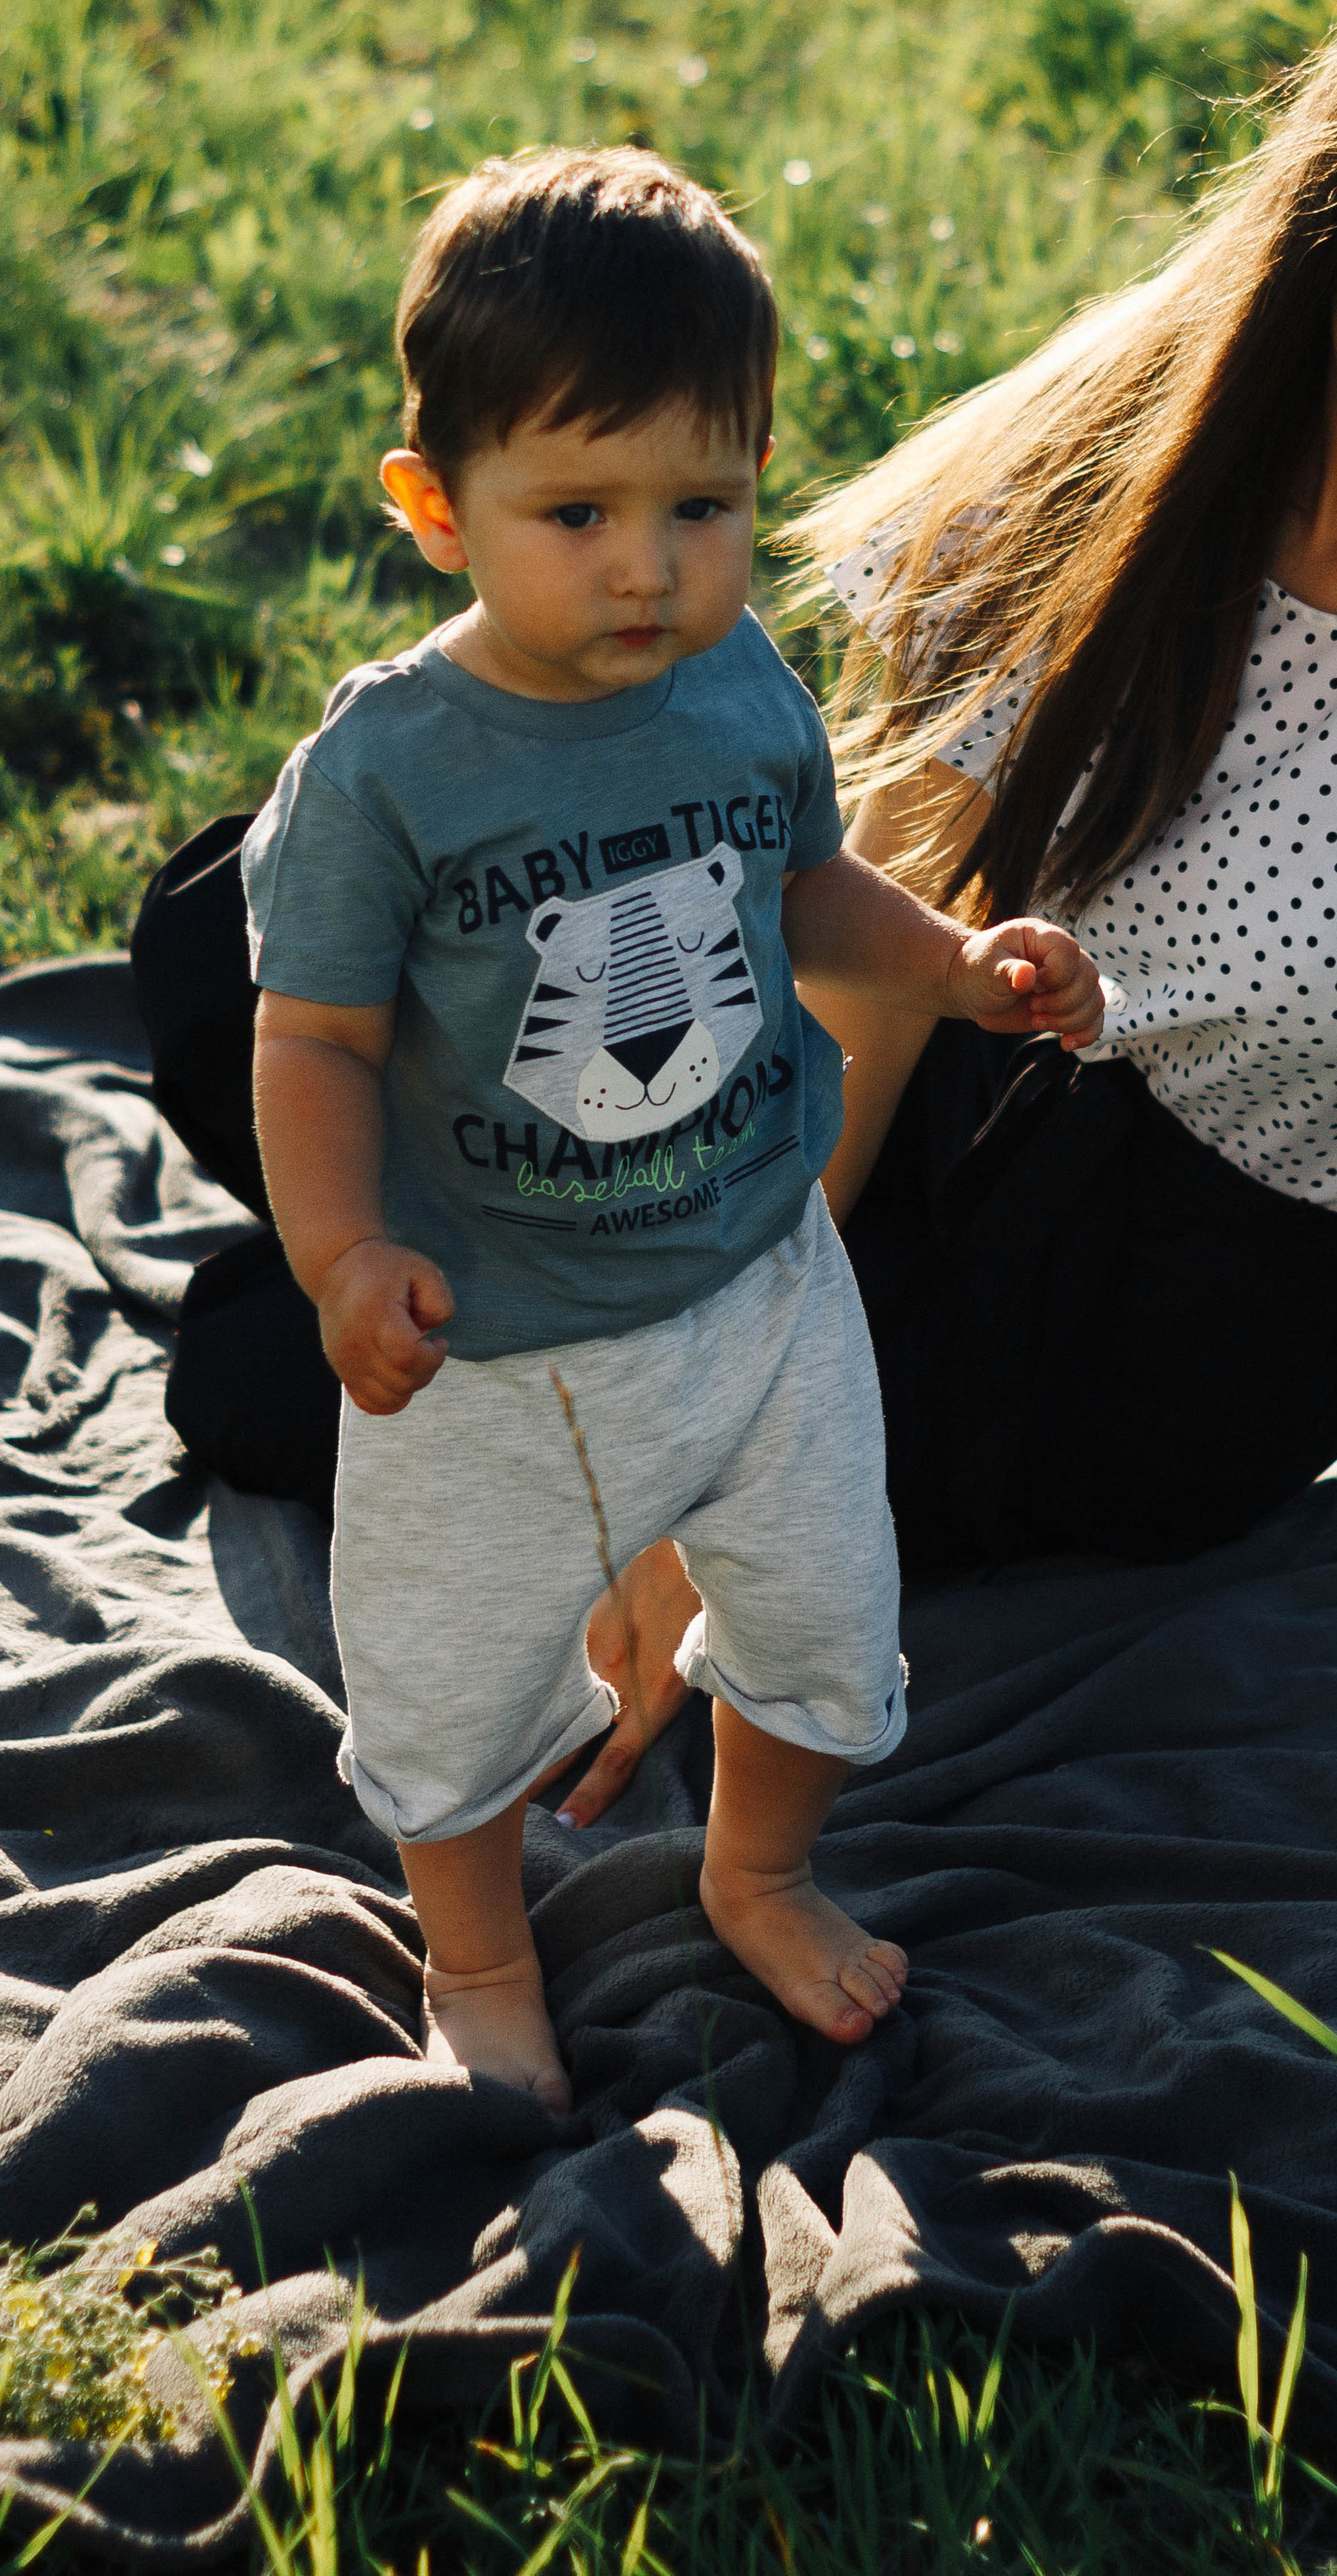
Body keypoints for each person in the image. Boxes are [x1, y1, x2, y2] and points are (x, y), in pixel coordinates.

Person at [134, 0, 1337, 2004]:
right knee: (228, 941)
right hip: (948, 1041)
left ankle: (444, 1261)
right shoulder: (1185, 409)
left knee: (257, 1368)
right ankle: (478, 1252)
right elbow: (870, 906)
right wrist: (703, 1316)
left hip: (1176, 1300)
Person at [240, 146, 1104, 2110]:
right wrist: (342, 1255)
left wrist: (956, 969)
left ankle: (758, 1869)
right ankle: (477, 1955)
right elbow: (315, 1043)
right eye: (578, 513)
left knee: (825, 1623)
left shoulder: (737, 690)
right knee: (453, 1683)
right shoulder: (386, 774)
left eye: (699, 507)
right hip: (495, 1339)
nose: (647, 568)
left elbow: (804, 894)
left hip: (760, 1277)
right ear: (435, 509)